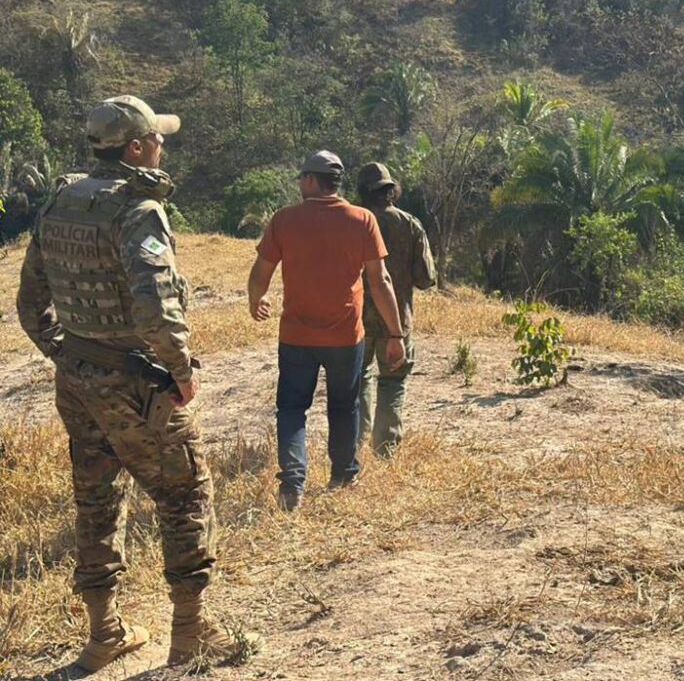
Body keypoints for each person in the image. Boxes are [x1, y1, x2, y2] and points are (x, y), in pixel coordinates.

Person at [16, 96, 255, 670]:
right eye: (157, 138)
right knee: (185, 494)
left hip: (77, 380)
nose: (163, 146)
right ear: (135, 147)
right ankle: (192, 632)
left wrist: (72, 354)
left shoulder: (60, 202)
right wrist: (178, 369)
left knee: (95, 499)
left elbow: (30, 304)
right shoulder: (138, 210)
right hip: (136, 384)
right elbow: (154, 309)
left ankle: (105, 634)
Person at [248, 150, 406, 511]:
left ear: (309, 180)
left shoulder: (284, 220)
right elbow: (380, 281)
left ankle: (292, 481)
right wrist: (396, 334)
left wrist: (255, 299)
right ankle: (343, 473)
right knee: (344, 404)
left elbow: (262, 271)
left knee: (291, 408)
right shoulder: (362, 219)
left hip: (296, 337)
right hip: (345, 337)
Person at [355, 163, 437, 456]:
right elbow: (426, 278)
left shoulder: (352, 223)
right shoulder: (410, 224)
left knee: (357, 379)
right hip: (397, 324)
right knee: (392, 382)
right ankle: (385, 448)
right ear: (391, 190)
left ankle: (356, 442)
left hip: (356, 321)